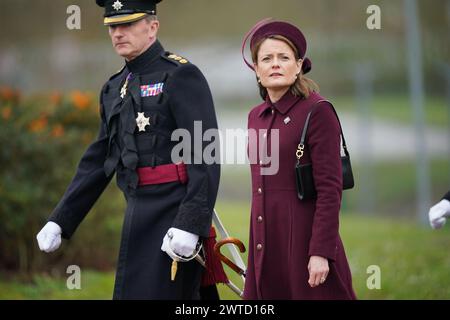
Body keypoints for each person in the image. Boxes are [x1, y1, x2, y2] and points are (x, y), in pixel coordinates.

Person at [36, 0, 221, 300]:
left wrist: (190, 223)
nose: (118, 33)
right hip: (136, 209)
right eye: (113, 26)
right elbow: (98, 161)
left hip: (174, 212)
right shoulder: (113, 88)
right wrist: (61, 218)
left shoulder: (181, 75)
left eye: (128, 24)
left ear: (152, 27)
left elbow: (205, 153)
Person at [241, 19, 356, 299]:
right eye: (267, 58)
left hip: (304, 244)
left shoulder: (317, 111)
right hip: (266, 244)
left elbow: (330, 190)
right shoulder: (255, 116)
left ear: (299, 65)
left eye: (284, 57)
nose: (275, 64)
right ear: (257, 69)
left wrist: (320, 251)